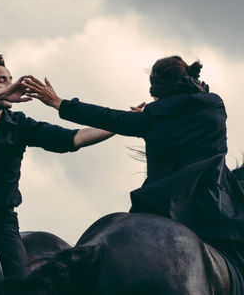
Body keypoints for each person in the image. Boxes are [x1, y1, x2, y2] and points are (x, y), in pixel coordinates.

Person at [23, 56, 244, 294]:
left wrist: (59, 103)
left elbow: (108, 117)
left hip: (158, 208)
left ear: (157, 92)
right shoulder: (215, 107)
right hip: (208, 211)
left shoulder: (150, 119)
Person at [0, 53, 114, 279]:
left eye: (10, 79)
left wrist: (120, 124)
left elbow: (74, 138)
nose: (11, 85)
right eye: (2, 80)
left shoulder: (19, 125)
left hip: (0, 222)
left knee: (21, 283)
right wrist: (5, 92)